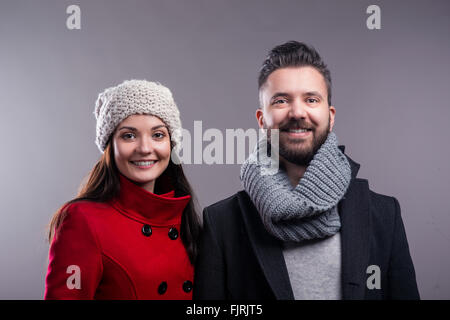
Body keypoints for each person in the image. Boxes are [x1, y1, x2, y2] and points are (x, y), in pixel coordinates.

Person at [193, 41, 420, 300]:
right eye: (281, 101)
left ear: (330, 116)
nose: (297, 112)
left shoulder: (384, 214)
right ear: (261, 120)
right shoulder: (222, 223)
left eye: (311, 99)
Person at [45, 79, 201, 299]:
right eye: (129, 135)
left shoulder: (186, 220)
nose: (145, 148)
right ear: (111, 145)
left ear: (171, 144)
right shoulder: (82, 220)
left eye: (158, 135)